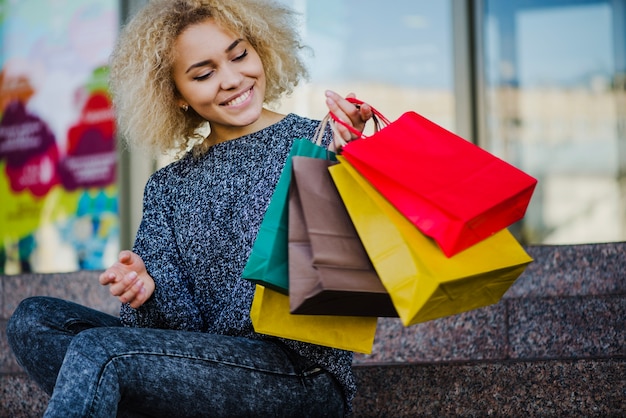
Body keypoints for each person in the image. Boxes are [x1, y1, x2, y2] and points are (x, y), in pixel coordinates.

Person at [6, 0, 374, 416]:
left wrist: (349, 162)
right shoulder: (168, 187)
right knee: (33, 319)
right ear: (175, 94)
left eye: (240, 55)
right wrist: (147, 292)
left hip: (300, 373)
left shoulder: (319, 145)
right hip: (207, 366)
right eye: (204, 73)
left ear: (261, 48)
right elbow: (170, 334)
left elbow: (361, 263)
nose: (233, 79)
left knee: (100, 351)